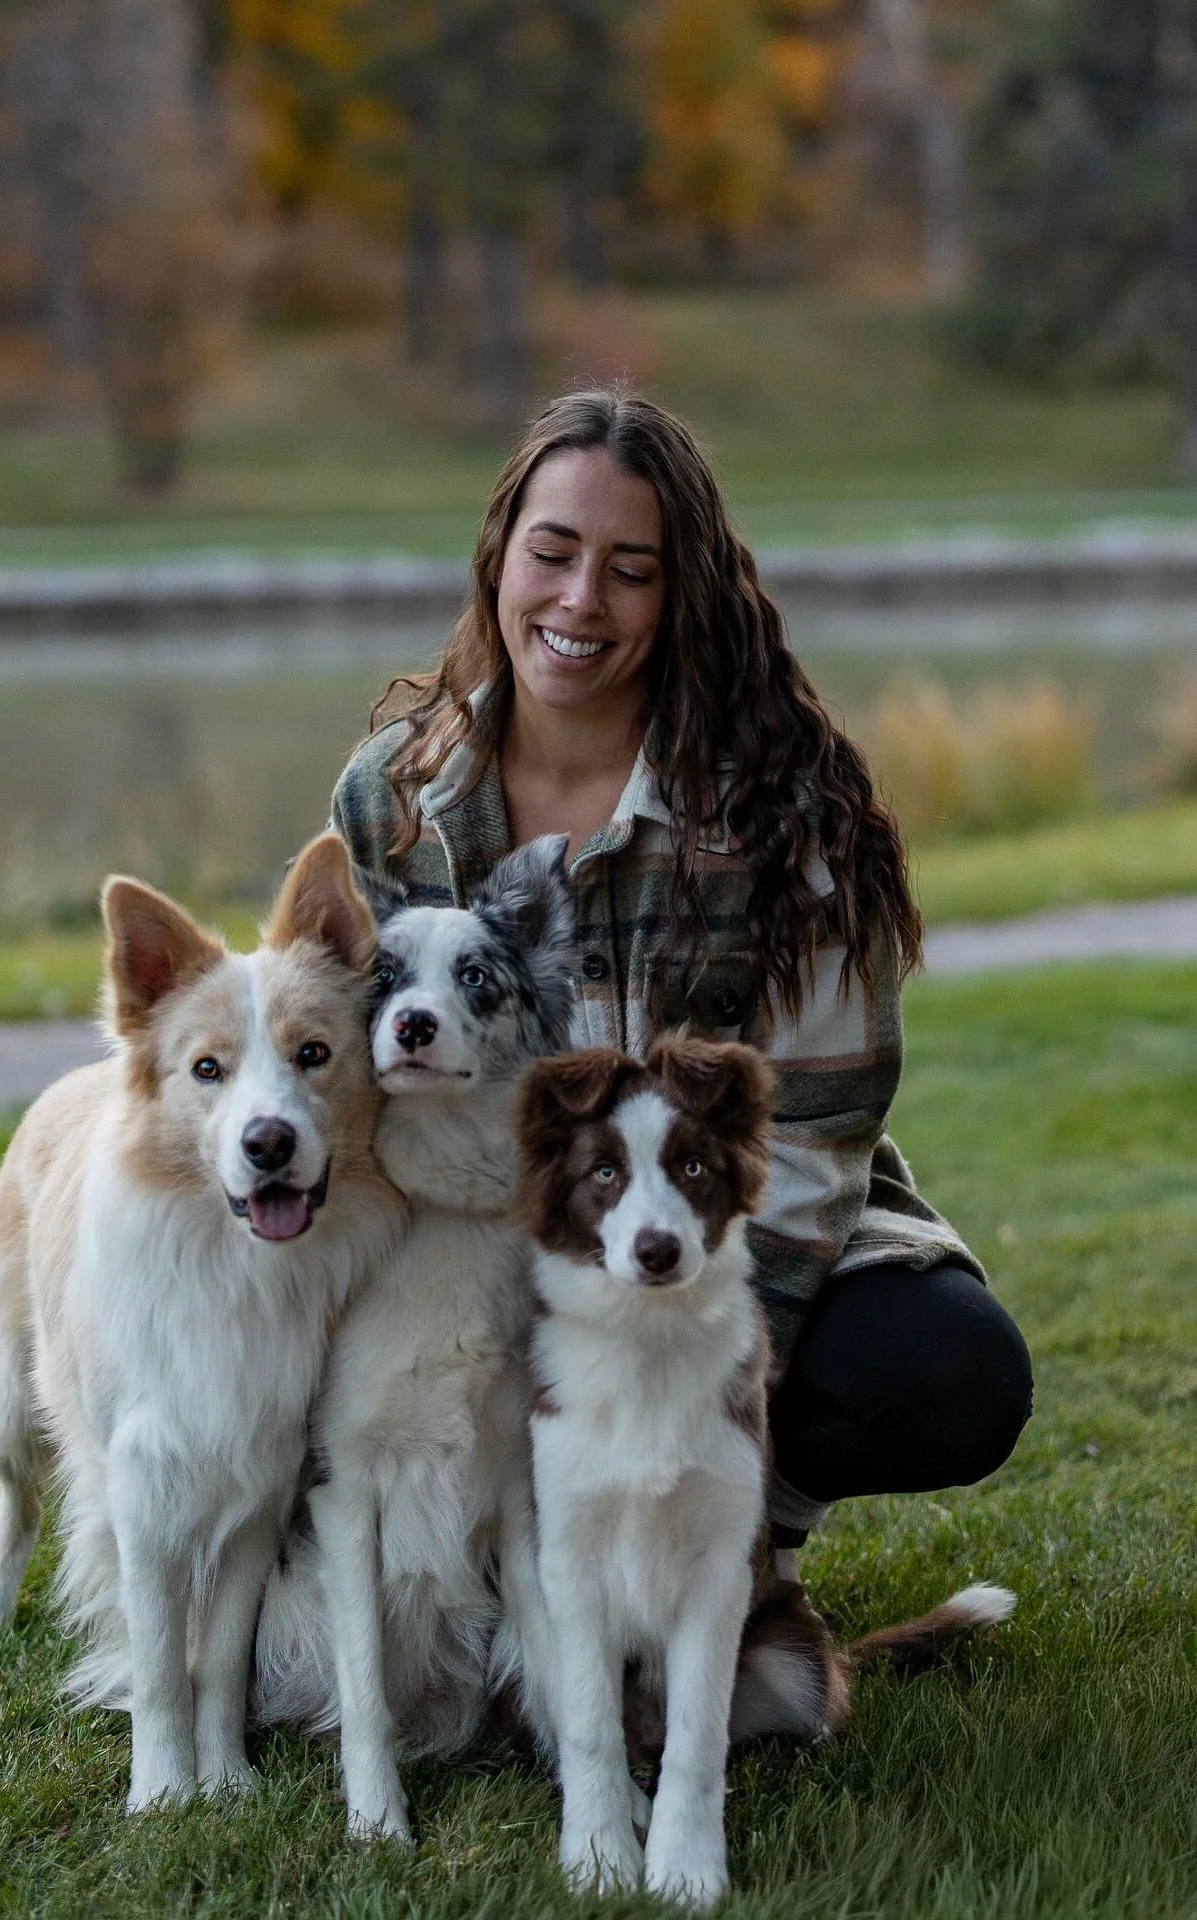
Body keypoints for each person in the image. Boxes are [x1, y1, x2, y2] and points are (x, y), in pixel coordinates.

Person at [328, 387, 1032, 1576]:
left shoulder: (781, 805)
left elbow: (812, 1135)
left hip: (713, 1242)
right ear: (499, 555)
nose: (579, 602)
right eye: (551, 553)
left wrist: (727, 1436)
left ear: (684, 592)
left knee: (948, 1366)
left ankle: (732, 1534)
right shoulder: (393, 799)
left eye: (630, 571)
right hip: (464, 1236)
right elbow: (335, 1071)